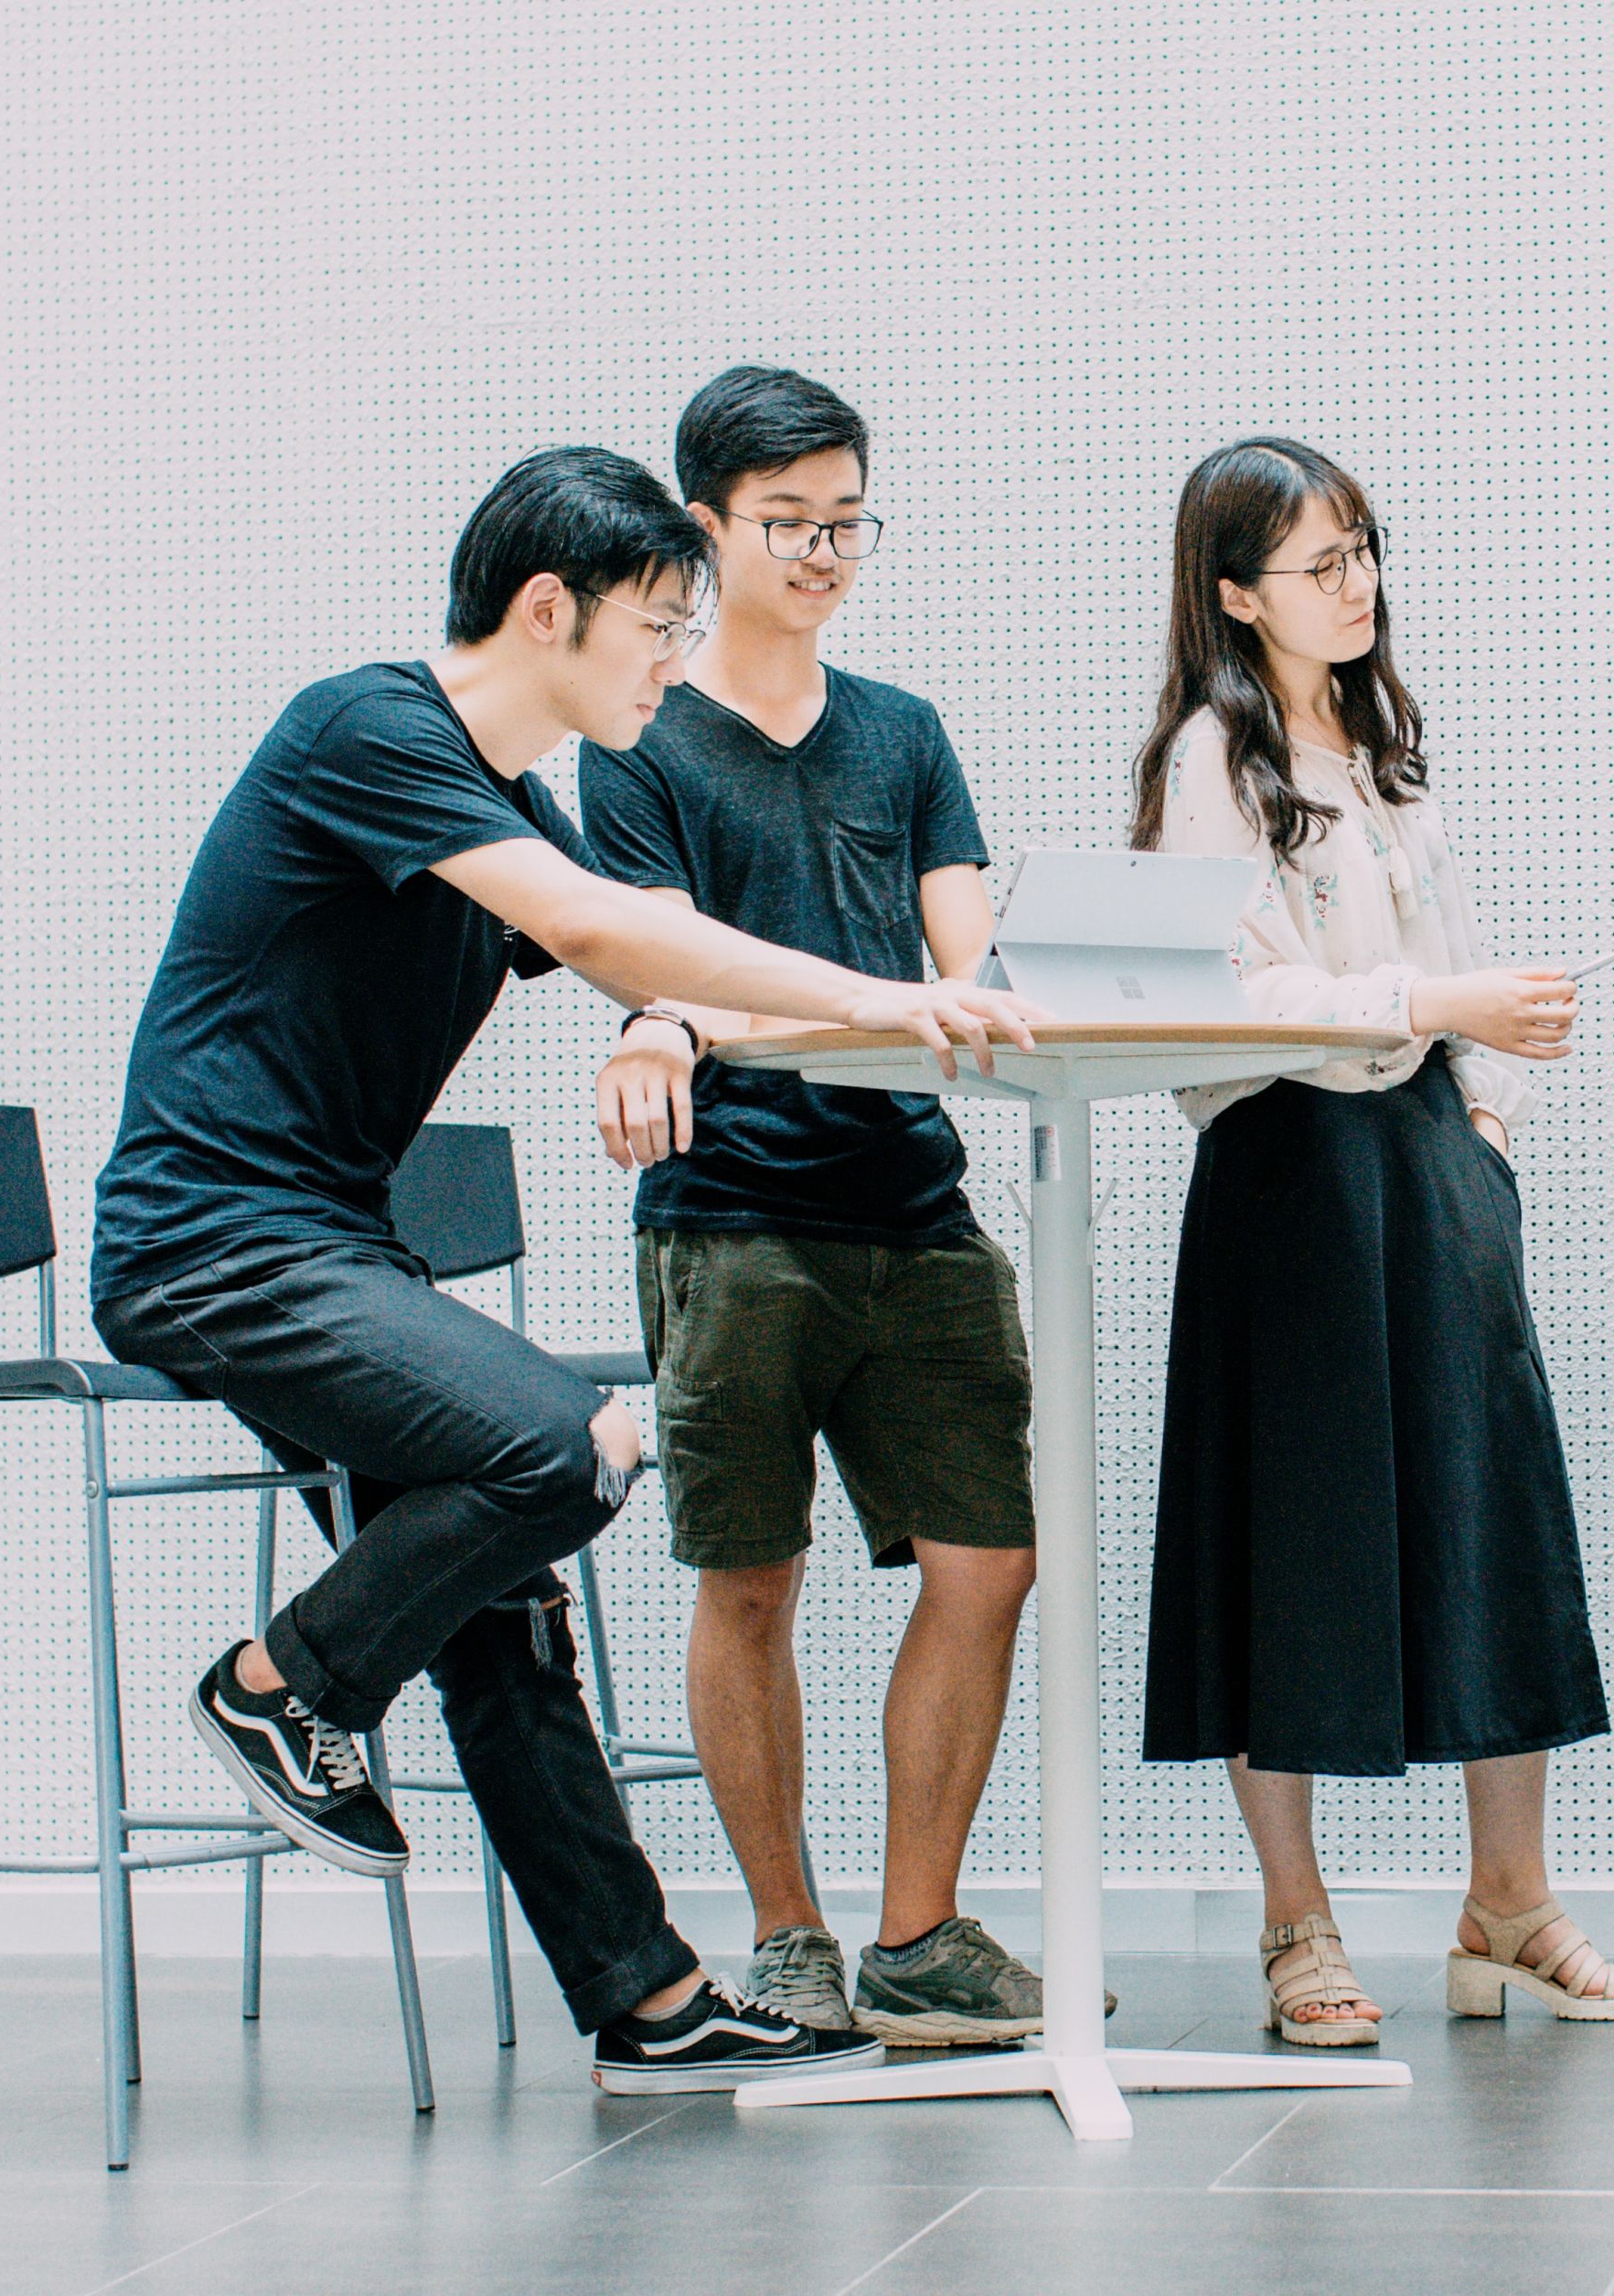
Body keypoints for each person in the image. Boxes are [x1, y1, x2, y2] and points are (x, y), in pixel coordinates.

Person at [91, 445, 1044, 2095]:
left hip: (328, 1244)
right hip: (212, 1241)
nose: (677, 670)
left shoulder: (507, 799)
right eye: (660, 633)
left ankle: (649, 1999)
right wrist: (882, 998)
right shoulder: (369, 732)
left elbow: (649, 945)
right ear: (553, 610)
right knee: (566, 1443)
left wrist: (722, 1006)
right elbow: (608, 934)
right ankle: (279, 1688)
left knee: (503, 1610)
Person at [1130, 437, 1614, 2043]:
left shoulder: (1379, 734)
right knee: (1287, 1543)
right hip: (1290, 1175)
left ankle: (1513, 1906)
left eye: (1364, 551)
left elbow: (1459, 955)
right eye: (1319, 563)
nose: (1356, 587)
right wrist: (1435, 1013)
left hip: (1428, 1159)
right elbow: (1224, 999)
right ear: (1235, 594)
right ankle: (1300, 1927)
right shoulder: (1208, 759)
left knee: (1490, 1522)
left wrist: (1480, 1120)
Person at [581, 368, 1054, 2045]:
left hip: (917, 1210)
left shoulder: (905, 732)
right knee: (749, 1578)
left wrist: (1007, 977)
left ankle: (917, 1931)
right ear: (705, 528)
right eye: (791, 525)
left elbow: (960, 960)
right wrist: (679, 1019)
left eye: (850, 520)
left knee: (990, 1561)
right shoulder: (640, 743)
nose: (828, 552)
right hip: (731, 1222)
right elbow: (660, 963)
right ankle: (788, 1936)